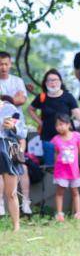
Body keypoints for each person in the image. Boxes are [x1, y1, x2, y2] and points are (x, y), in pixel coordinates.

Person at [28, 69, 80, 165]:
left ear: (60, 82)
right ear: (45, 83)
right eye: (50, 80)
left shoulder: (68, 96)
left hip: (67, 139)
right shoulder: (42, 97)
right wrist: (40, 122)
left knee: (69, 165)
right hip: (48, 138)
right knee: (51, 167)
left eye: (55, 80)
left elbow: (76, 112)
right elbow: (30, 109)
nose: (53, 83)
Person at [0, 51, 31, 216]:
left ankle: (25, 201)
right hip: (1, 134)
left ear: (10, 64)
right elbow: (15, 99)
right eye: (0, 64)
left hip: (17, 131)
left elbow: (21, 100)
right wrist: (12, 98)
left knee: (20, 162)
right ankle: (2, 203)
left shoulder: (17, 80)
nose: (3, 67)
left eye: (5, 63)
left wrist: (6, 99)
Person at [51, 113, 80, 222]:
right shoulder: (56, 139)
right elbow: (56, 153)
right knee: (60, 192)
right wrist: (55, 166)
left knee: (75, 192)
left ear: (68, 124)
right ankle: (59, 214)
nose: (59, 127)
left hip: (74, 171)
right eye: (57, 125)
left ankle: (78, 213)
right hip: (61, 171)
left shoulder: (76, 136)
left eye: (61, 124)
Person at [0, 96, 27, 231]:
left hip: (7, 149)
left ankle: (16, 226)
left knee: (11, 192)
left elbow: (23, 132)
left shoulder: (10, 108)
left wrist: (13, 127)